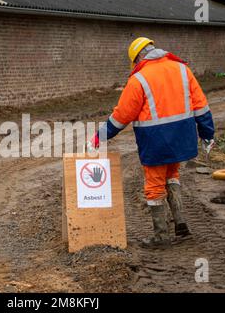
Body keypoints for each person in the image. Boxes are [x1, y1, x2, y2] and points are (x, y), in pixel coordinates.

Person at [88, 37, 215, 248]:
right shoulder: (183, 70)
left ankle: (161, 235)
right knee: (172, 175)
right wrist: (208, 134)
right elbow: (201, 106)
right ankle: (181, 225)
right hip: (182, 138)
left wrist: (99, 137)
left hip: (156, 142)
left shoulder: (139, 79)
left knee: (155, 185)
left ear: (137, 58)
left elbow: (121, 116)